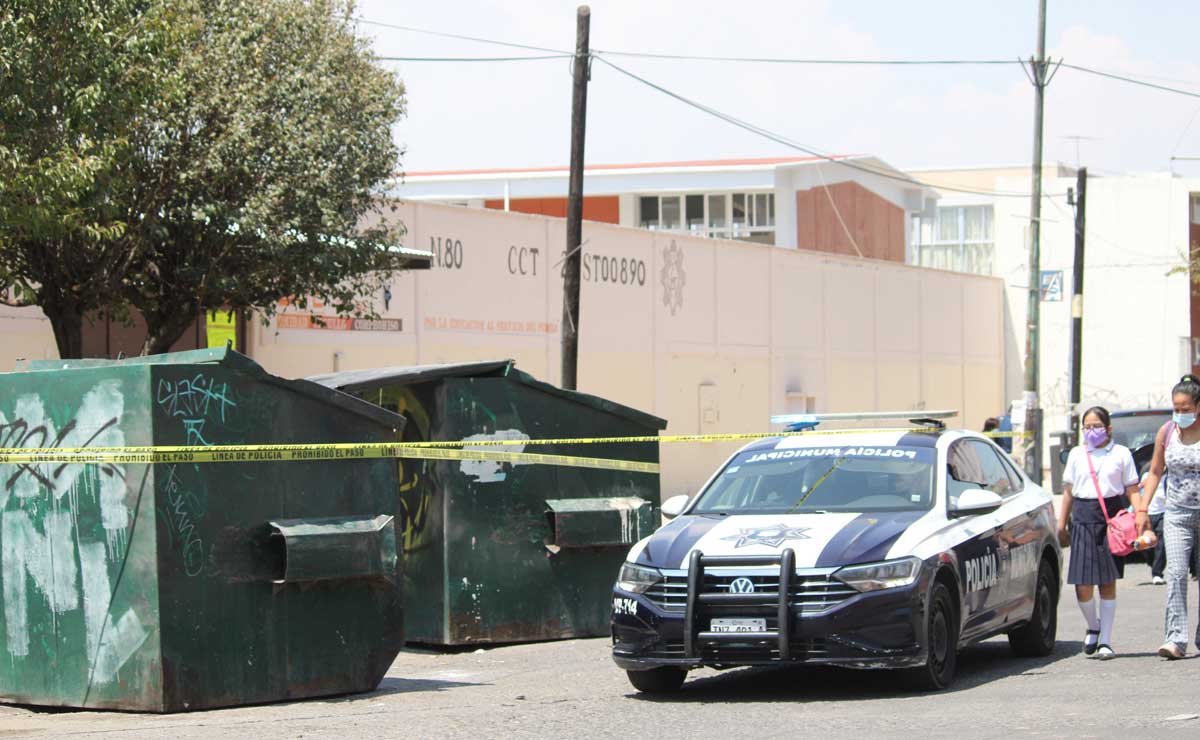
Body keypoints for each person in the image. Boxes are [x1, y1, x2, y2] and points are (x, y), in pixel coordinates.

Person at [1057, 406, 1140, 660]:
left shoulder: (1121, 453)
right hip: (1082, 518)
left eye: (1096, 426)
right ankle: (1093, 625)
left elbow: (1132, 489)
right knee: (1082, 585)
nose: (1091, 431)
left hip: (1110, 519)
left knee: (1107, 581)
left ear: (1108, 428)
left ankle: (1105, 639)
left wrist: (1141, 516)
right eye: (1087, 427)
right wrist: (1061, 525)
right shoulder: (1076, 454)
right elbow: (1069, 491)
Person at [1138, 374, 1200, 660]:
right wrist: (1143, 509)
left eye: (1186, 408)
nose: (1180, 413)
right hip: (1177, 513)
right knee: (1175, 573)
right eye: (1177, 407)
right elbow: (1154, 472)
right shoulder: (1167, 432)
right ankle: (1176, 638)